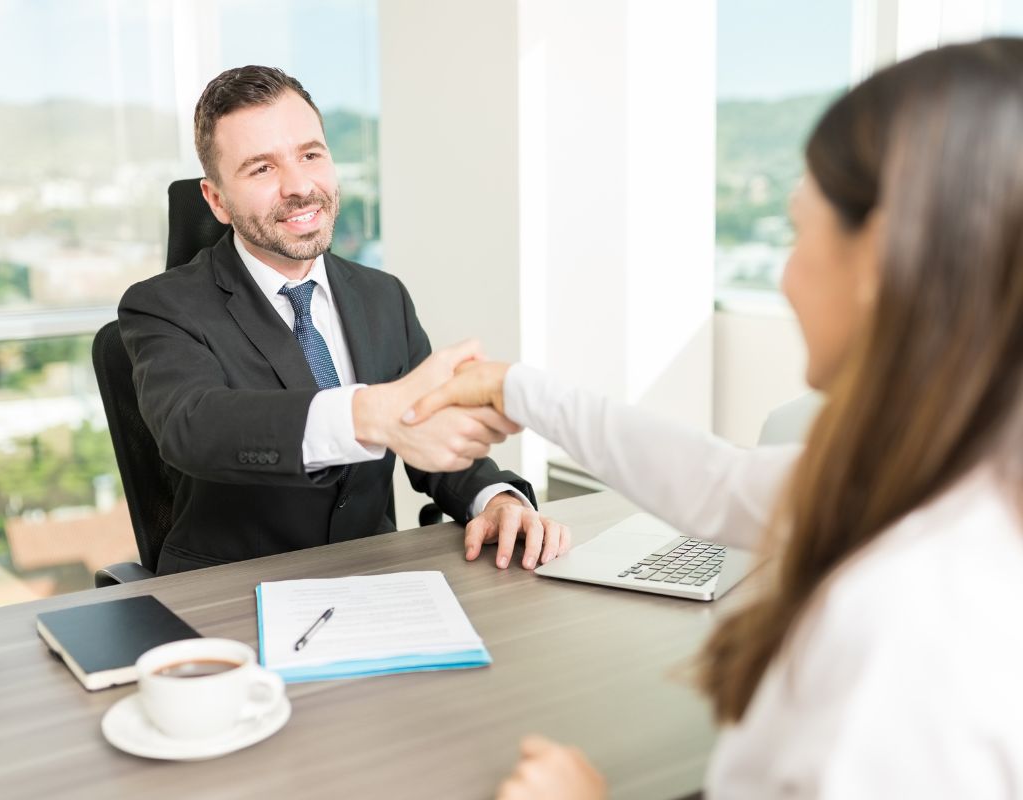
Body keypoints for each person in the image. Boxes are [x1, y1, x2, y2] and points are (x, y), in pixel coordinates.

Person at [408, 38, 1023, 798]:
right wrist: (518, 387)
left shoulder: (909, 619)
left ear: (882, 262)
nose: (788, 276)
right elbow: (719, 482)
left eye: (801, 231)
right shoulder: (952, 478)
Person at [118, 66, 569, 575]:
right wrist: (370, 413)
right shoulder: (162, 306)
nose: (299, 186)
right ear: (217, 200)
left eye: (310, 155)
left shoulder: (382, 296)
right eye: (261, 169)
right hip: (230, 595)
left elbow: (428, 432)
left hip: (374, 581)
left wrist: (495, 499)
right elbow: (193, 426)